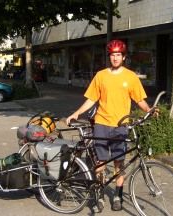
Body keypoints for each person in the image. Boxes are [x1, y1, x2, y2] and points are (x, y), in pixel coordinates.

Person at [66, 39, 158, 212]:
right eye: (112, 55)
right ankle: (99, 194)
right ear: (109, 57)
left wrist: (149, 109)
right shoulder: (101, 75)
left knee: (119, 163)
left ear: (123, 56)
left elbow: (139, 100)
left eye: (118, 55)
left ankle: (118, 195)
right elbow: (92, 99)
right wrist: (77, 113)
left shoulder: (130, 77)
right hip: (101, 123)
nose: (115, 58)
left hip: (120, 126)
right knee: (100, 162)